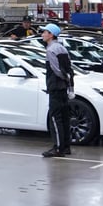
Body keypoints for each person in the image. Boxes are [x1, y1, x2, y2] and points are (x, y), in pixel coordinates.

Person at [41, 23, 73, 158]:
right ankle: (66, 146)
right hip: (63, 88)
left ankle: (58, 148)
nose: (42, 34)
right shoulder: (62, 48)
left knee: (55, 118)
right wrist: (69, 83)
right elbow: (69, 68)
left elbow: (56, 70)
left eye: (45, 32)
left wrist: (63, 78)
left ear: (51, 35)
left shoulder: (51, 50)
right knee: (65, 117)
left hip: (55, 87)